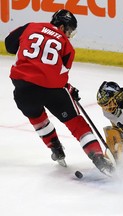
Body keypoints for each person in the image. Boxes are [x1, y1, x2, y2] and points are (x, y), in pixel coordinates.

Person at [4, 9, 114, 176]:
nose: (69, 35)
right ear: (61, 26)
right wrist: (68, 88)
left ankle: (54, 147)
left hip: (23, 89)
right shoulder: (67, 46)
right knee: (76, 123)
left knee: (36, 117)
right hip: (51, 90)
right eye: (69, 30)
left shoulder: (31, 26)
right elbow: (59, 74)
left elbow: (9, 45)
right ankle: (98, 157)